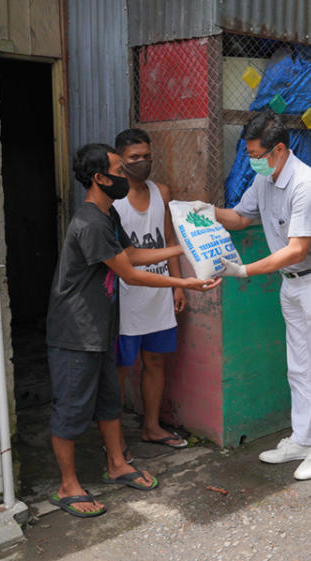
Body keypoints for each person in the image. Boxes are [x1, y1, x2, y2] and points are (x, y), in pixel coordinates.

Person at [45, 143, 219, 518]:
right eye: (119, 171)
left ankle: (117, 465)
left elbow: (134, 254)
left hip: (100, 328)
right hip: (75, 333)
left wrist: (184, 250)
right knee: (71, 409)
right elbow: (129, 274)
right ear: (99, 178)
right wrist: (185, 284)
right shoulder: (89, 222)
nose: (127, 176)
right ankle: (66, 486)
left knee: (109, 401)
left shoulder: (108, 217)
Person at [214, 112, 311, 481]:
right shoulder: (265, 180)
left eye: (256, 154)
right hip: (292, 284)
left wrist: (244, 270)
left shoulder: (307, 184)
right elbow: (241, 217)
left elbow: (298, 250)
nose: (251, 160)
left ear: (278, 150)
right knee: (299, 366)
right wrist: (205, 212)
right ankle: (302, 438)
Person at [113, 129, 188, 452]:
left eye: (147, 156)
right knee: (119, 369)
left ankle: (152, 427)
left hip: (159, 294)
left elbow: (169, 240)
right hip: (125, 297)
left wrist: (177, 285)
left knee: (155, 361)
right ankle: (113, 441)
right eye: (134, 158)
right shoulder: (112, 200)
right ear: (120, 160)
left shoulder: (162, 192)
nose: (142, 162)